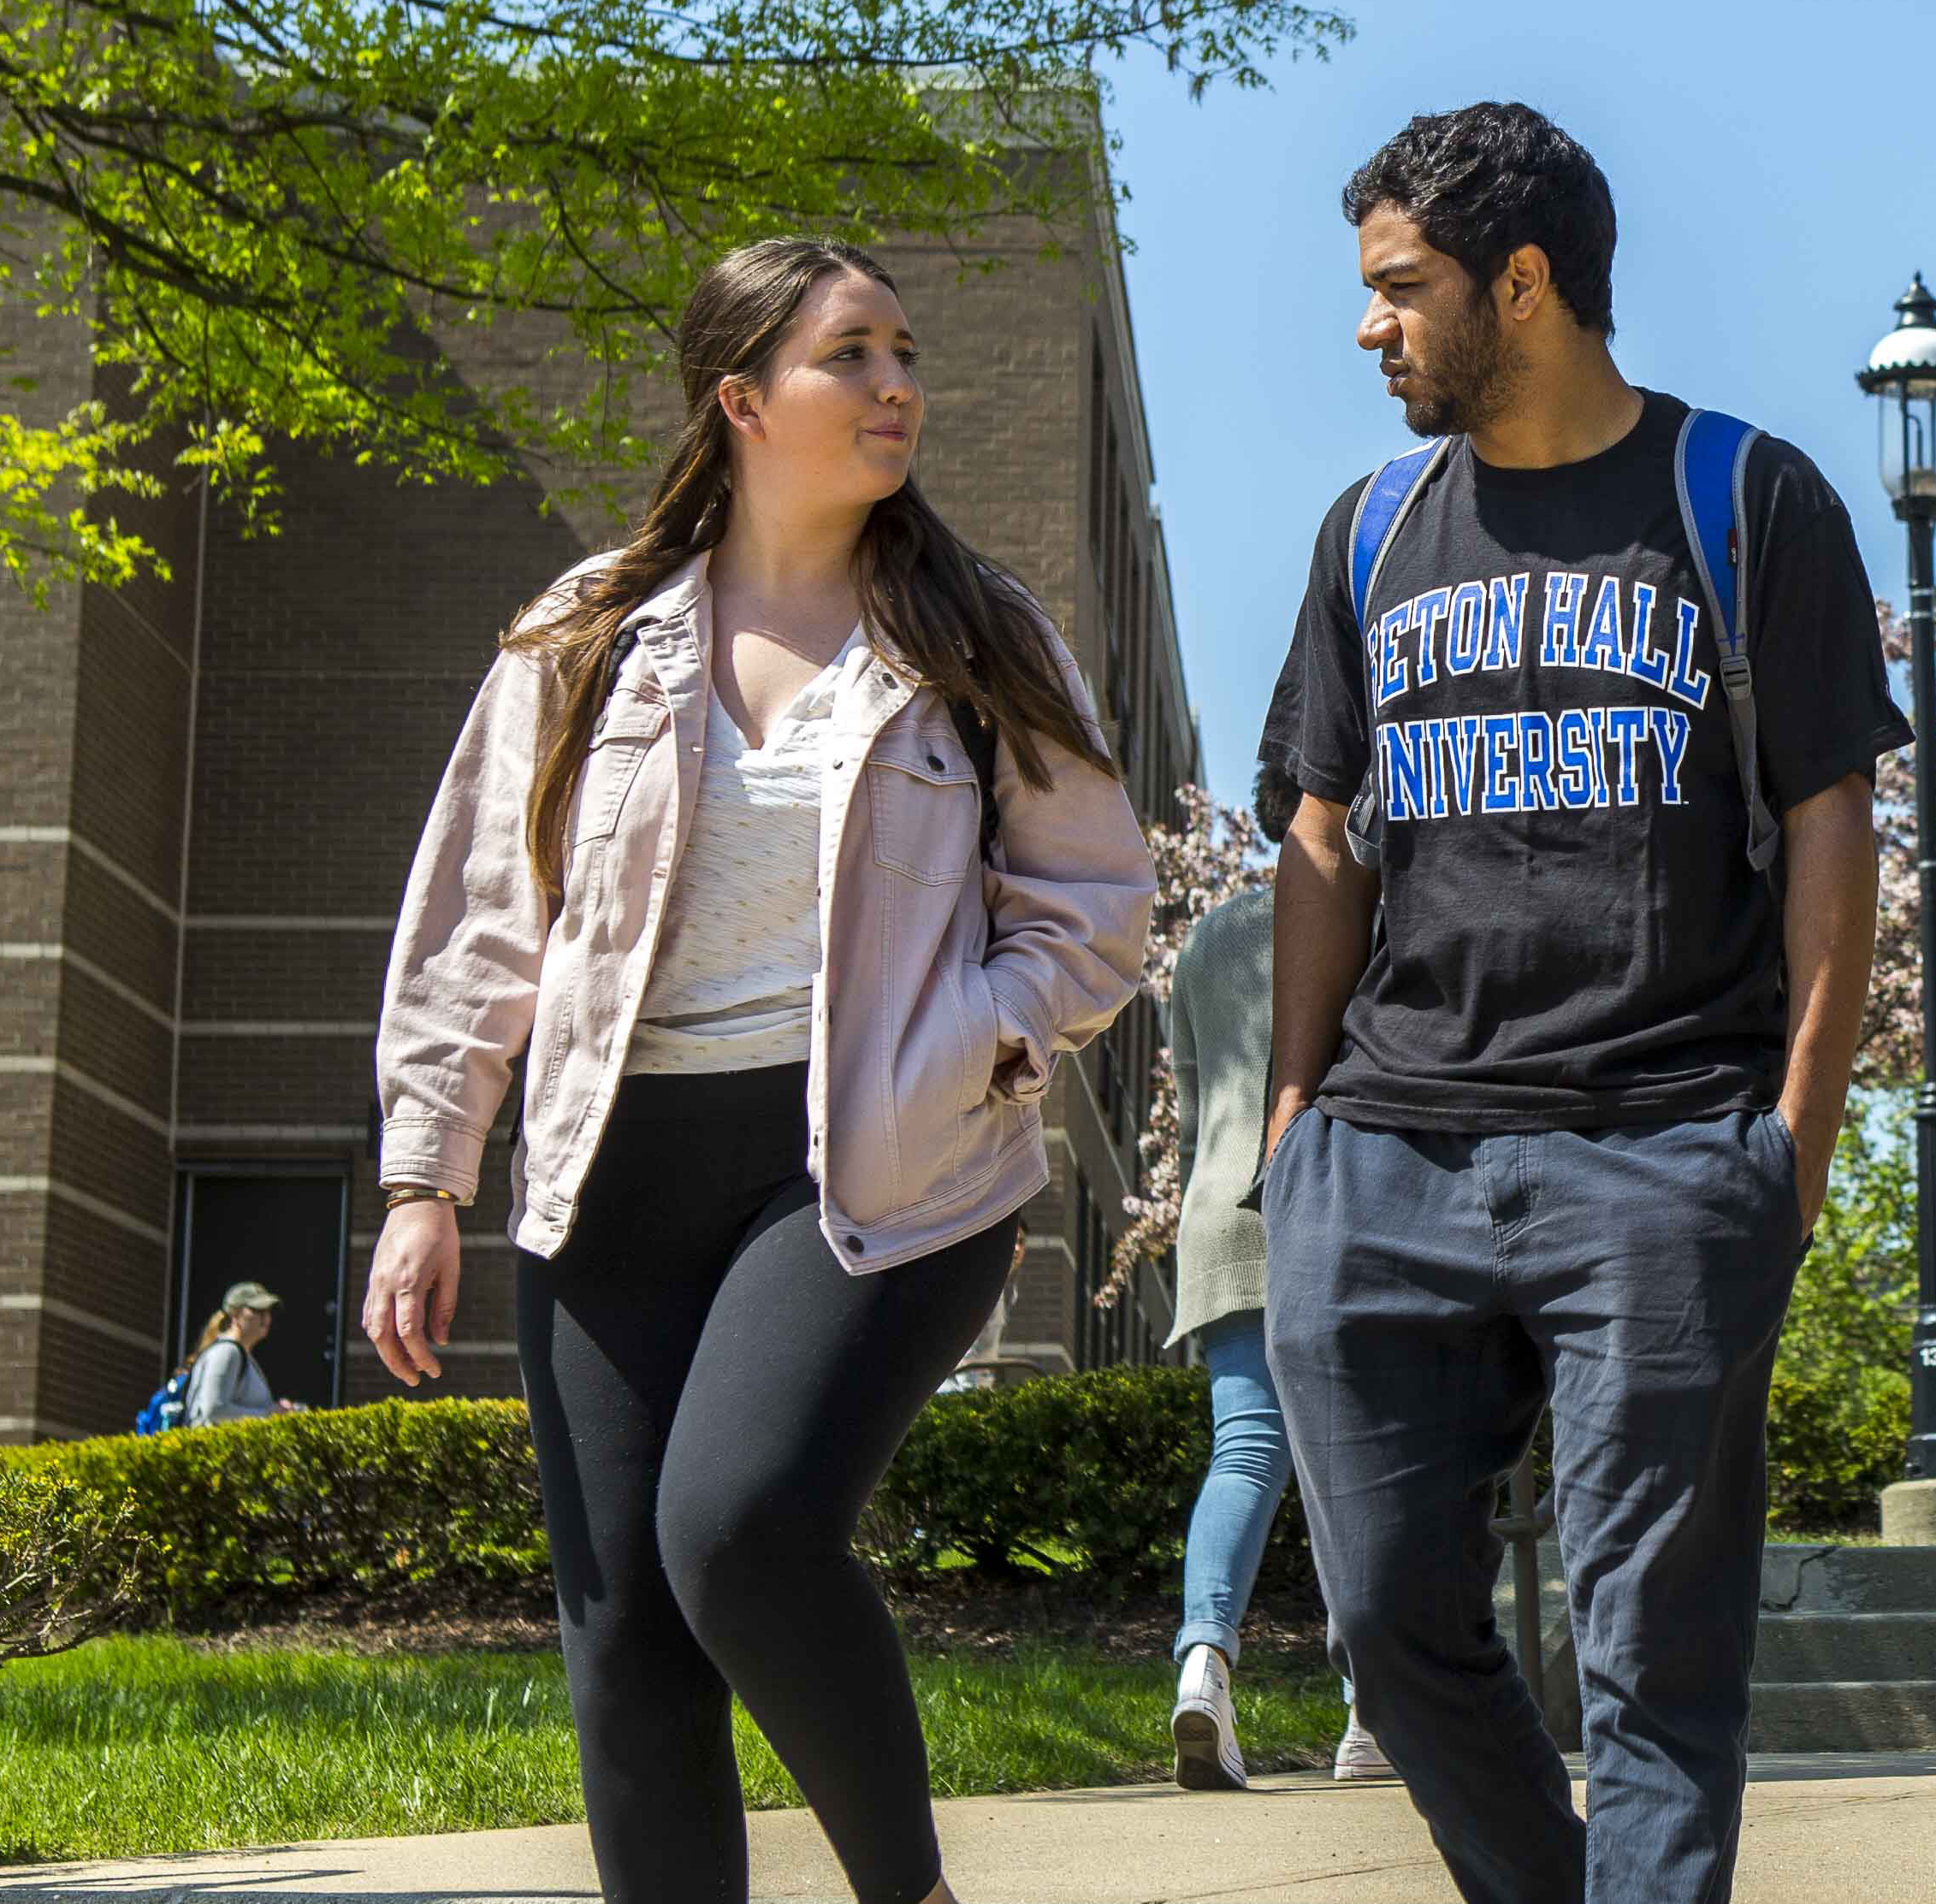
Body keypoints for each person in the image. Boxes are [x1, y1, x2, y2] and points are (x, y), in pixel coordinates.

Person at [363, 238, 1157, 1904]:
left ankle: (906, 1894)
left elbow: (1095, 913)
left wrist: (969, 1052)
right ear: (741, 399)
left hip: (870, 1162)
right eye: (849, 356)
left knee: (733, 1529)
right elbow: (478, 922)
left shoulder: (974, 634)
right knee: (627, 1638)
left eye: (904, 353)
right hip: (610, 1173)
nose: (896, 387)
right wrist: (426, 1180)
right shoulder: (589, 636)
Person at [1263, 103, 1904, 1904]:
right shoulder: (1373, 529)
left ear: (1522, 285)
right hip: (1387, 1152)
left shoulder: (1744, 497)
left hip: (1662, 1146)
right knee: (1388, 1622)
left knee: (1655, 1663)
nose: (1371, 327)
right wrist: (1292, 1132)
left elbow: (1831, 831)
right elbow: (1322, 834)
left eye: (1401, 290)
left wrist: (1793, 1141)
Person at [1166, 734, 1392, 1791]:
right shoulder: (1375, 923)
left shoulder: (1207, 943)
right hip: (1331, 1206)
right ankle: (1371, 1715)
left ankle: (1204, 1666)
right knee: (1367, 1467)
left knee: (1244, 1455)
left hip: (1219, 1218)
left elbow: (1192, 1101)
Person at [181, 1281, 308, 1426]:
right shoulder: (227, 1352)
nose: (266, 1317)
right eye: (257, 1310)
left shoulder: (241, 1355)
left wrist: (276, 1410)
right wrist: (269, 1415)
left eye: (268, 1311)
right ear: (235, 1315)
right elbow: (214, 1411)